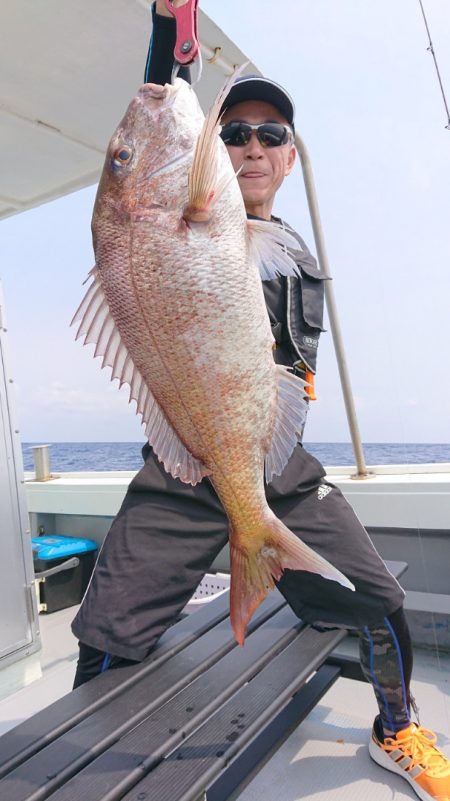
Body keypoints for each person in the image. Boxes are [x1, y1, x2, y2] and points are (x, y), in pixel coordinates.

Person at [72, 3, 450, 799]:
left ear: (287, 160)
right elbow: (160, 105)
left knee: (379, 600)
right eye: (234, 131)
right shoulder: (190, 215)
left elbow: (294, 384)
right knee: (105, 628)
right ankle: (86, 772)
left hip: (274, 467)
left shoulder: (291, 252)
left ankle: (396, 727)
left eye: (269, 135)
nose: (250, 145)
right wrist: (168, 34)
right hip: (184, 460)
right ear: (211, 149)